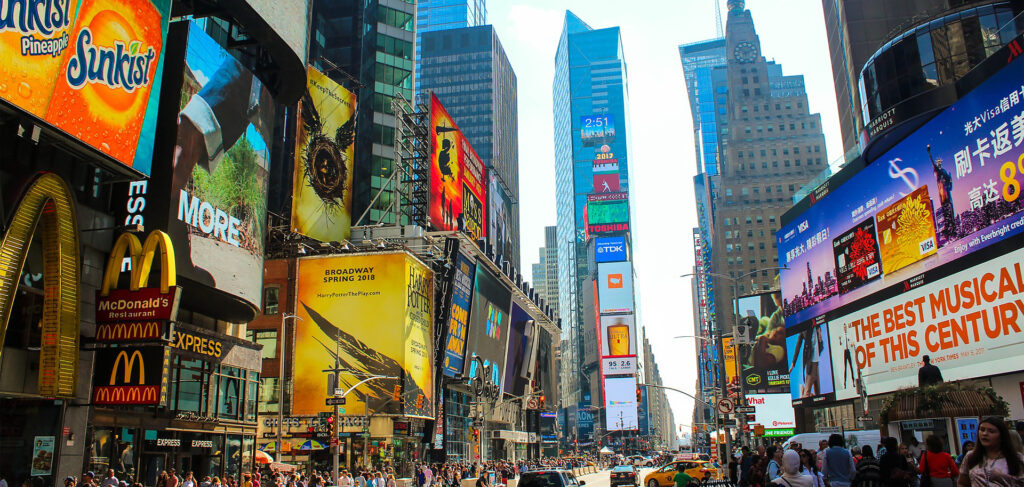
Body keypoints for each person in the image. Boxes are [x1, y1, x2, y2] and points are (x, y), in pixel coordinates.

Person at [957, 417, 1024, 487]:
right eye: (982, 430)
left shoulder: (1017, 458)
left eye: (991, 431)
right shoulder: (971, 456)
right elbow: (962, 483)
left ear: (1002, 436)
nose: (985, 434)